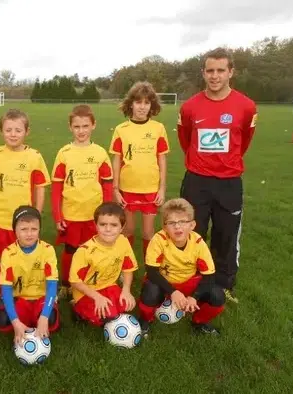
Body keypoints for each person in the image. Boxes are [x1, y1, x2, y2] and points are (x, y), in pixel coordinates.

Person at [177, 47, 257, 304]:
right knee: (191, 233)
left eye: (220, 70)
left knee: (226, 235)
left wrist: (226, 163)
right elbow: (185, 139)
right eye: (210, 70)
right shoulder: (190, 107)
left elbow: (243, 141)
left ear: (230, 72)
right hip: (196, 181)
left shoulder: (246, 106)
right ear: (203, 73)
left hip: (229, 182)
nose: (215, 76)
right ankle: (191, 281)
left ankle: (223, 285)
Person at [51, 104, 113, 300]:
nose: (81, 131)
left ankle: (88, 283)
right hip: (71, 213)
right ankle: (66, 285)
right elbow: (56, 188)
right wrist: (58, 215)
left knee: (92, 250)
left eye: (85, 126)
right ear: (70, 127)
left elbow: (107, 186)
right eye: (77, 127)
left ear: (93, 125)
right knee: (70, 250)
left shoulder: (100, 153)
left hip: (94, 215)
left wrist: (107, 214)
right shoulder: (64, 153)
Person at [138, 198, 225, 335]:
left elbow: (209, 276)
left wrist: (194, 297)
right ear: (165, 227)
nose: (177, 227)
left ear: (192, 225)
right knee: (150, 290)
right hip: (164, 283)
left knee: (217, 295)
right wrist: (173, 292)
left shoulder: (198, 242)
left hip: (188, 283)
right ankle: (145, 322)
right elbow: (152, 271)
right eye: (171, 223)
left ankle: (199, 322)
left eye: (182, 222)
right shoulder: (158, 240)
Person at [0, 109, 51, 296]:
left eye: (18, 130)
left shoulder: (34, 157)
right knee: (2, 259)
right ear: (1, 132)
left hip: (23, 222)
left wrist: (35, 215)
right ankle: (3, 295)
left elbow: (40, 187)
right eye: (8, 130)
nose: (13, 134)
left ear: (26, 132)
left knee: (24, 257)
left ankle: (24, 292)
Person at [109, 81, 169, 260]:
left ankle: (149, 271)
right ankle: (125, 266)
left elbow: (162, 159)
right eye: (138, 102)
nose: (142, 107)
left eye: (146, 103)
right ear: (131, 104)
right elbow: (117, 160)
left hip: (150, 189)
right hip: (127, 189)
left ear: (152, 105)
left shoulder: (158, 129)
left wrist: (162, 188)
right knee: (127, 230)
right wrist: (115, 189)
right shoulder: (121, 130)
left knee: (148, 232)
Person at [0, 206, 60, 344]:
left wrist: (44, 317)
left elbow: (52, 285)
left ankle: (38, 319)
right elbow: (6, 290)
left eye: (34, 229)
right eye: (24, 229)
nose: (29, 234)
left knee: (51, 319)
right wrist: (15, 321)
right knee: (3, 320)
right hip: (20, 299)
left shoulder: (47, 250)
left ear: (39, 230)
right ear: (15, 231)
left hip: (41, 298)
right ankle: (23, 323)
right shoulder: (8, 253)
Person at [69, 202, 138, 326]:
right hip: (87, 292)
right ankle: (78, 309)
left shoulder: (123, 241)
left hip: (109, 286)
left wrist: (126, 290)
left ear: (122, 227)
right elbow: (75, 281)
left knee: (127, 306)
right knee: (107, 316)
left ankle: (107, 308)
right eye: (103, 224)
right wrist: (97, 297)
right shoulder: (85, 251)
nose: (108, 229)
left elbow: (128, 268)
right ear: (96, 225)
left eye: (114, 225)